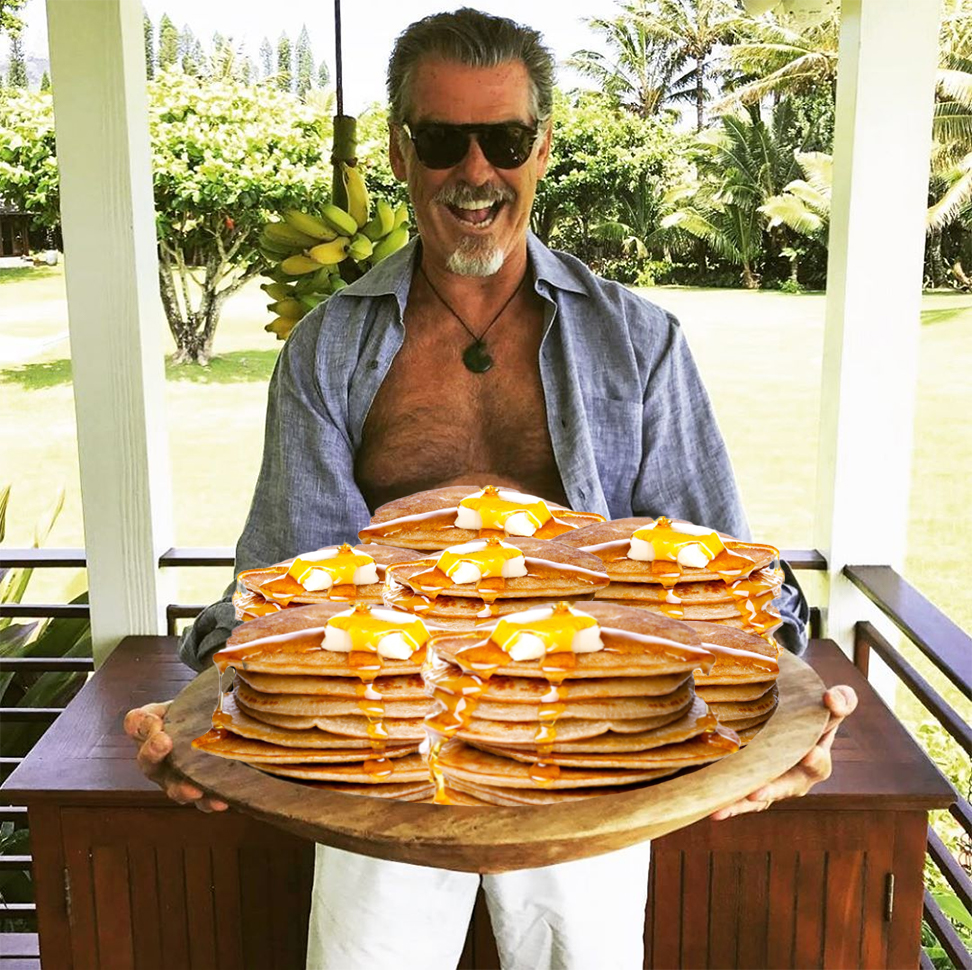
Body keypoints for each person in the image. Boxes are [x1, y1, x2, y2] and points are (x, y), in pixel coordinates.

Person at [125, 8, 858, 969]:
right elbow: (286, 579)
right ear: (400, 151)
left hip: (597, 741)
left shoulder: (639, 341)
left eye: (505, 139)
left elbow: (720, 569)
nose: (476, 171)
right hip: (374, 740)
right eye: (442, 140)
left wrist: (784, 721)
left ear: (542, 147)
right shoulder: (329, 349)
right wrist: (203, 715)